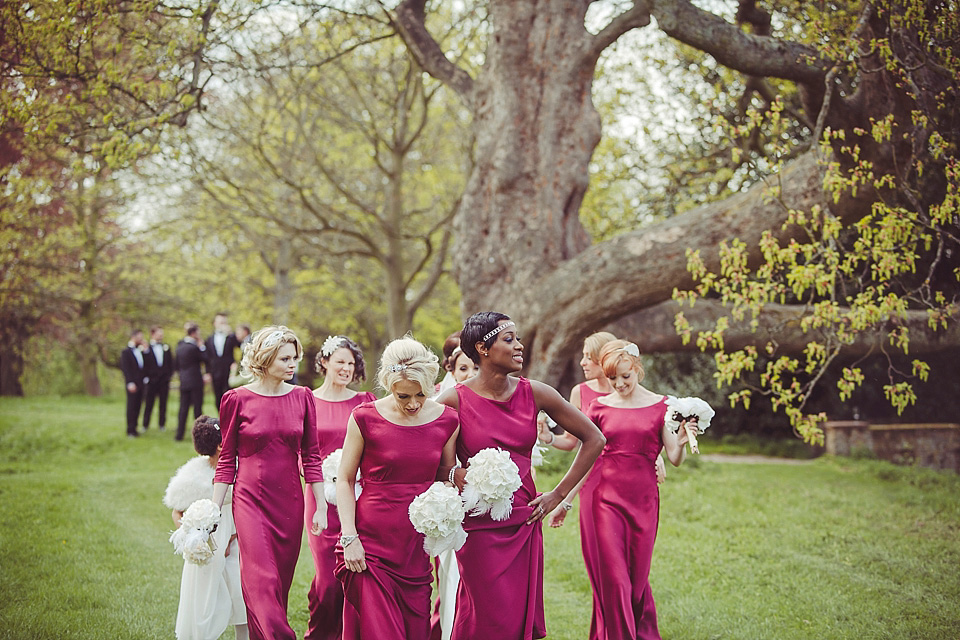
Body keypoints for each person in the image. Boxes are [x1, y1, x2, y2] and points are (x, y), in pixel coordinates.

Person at [436, 311, 606, 640]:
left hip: (524, 523)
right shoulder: (453, 400)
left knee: (514, 620)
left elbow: (594, 438)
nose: (520, 346)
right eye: (509, 339)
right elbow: (435, 464)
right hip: (478, 528)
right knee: (483, 617)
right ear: (483, 349)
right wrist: (456, 473)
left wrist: (558, 494)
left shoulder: (537, 393)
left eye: (517, 338)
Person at [336, 336, 460, 640]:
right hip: (370, 545)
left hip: (415, 548)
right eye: (403, 396)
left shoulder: (448, 421)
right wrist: (349, 536)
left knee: (415, 630)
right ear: (389, 384)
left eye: (420, 394)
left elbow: (445, 477)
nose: (414, 403)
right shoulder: (364, 417)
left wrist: (471, 481)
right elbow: (345, 478)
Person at [212, 326, 324, 640]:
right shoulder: (236, 399)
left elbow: (311, 455)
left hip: (290, 502)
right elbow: (226, 460)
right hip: (250, 501)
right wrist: (213, 508)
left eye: (295, 357)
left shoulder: (303, 397)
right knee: (262, 582)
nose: (293, 364)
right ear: (265, 359)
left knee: (278, 588)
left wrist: (321, 505)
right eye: (284, 358)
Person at [579, 340, 694, 640]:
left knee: (636, 585)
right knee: (616, 581)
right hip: (606, 503)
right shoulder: (598, 407)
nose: (619, 384)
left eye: (625, 377)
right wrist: (563, 499)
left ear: (637, 369)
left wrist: (681, 441)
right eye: (613, 378)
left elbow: (674, 458)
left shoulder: (662, 406)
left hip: (644, 504)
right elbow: (584, 459)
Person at [541, 331, 666, 528]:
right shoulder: (579, 392)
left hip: (628, 476)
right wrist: (549, 439)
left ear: (604, 359)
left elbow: (645, 430)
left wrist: (656, 456)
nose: (583, 362)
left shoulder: (628, 389)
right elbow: (571, 442)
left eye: (589, 357)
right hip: (590, 475)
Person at [304, 335, 376, 640]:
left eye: (351, 363)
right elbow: (301, 451)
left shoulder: (364, 402)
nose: (346, 368)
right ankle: (320, 633)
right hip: (319, 496)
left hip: (356, 496)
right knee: (327, 577)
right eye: (340, 362)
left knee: (355, 572)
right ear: (324, 363)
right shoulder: (306, 400)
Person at [163, 415, 248, 640]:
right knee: (204, 598)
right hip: (207, 547)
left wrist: (233, 537)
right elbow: (176, 511)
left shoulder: (242, 468)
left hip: (238, 540)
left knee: (242, 595)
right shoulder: (194, 476)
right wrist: (194, 537)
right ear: (221, 445)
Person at [430, 333, 479, 640]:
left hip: (488, 502)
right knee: (451, 577)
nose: (470, 375)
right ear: (451, 370)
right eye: (463, 369)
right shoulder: (444, 404)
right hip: (452, 502)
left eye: (474, 368)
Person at [176, 323, 210, 442]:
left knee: (183, 407)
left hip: (184, 381)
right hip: (195, 381)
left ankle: (179, 434)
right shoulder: (195, 347)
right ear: (194, 333)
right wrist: (202, 347)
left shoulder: (179, 346)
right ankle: (199, 434)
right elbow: (205, 358)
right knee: (197, 408)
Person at [206, 312, 240, 412]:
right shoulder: (209, 339)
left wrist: (231, 334)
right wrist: (208, 372)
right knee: (217, 396)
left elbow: (240, 346)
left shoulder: (231, 337)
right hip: (215, 371)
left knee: (230, 395)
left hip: (229, 371)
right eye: (220, 322)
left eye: (224, 322)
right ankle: (221, 418)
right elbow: (208, 357)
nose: (222, 324)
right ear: (215, 323)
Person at [143, 325, 174, 432]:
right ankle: (145, 424)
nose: (161, 336)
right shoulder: (146, 348)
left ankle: (162, 424)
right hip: (151, 381)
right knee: (149, 403)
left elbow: (171, 364)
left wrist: (168, 376)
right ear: (152, 334)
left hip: (164, 381)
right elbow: (144, 364)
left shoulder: (166, 347)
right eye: (158, 333)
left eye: (161, 334)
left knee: (163, 403)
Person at [120, 328, 147, 438]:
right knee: (131, 406)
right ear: (134, 337)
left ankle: (135, 428)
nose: (141, 339)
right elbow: (126, 369)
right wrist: (130, 382)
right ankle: (130, 429)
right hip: (132, 383)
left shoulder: (140, 351)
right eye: (140, 337)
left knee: (138, 406)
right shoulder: (126, 352)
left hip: (141, 383)